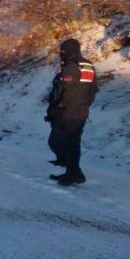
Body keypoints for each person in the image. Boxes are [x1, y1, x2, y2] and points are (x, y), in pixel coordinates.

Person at [45, 38, 98, 186]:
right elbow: (93, 89)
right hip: (81, 111)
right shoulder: (88, 65)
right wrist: (85, 104)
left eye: (62, 50)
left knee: (56, 141)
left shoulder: (70, 66)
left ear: (68, 50)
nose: (61, 53)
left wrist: (59, 107)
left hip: (67, 112)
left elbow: (64, 91)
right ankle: (74, 173)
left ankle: (72, 170)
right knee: (73, 143)